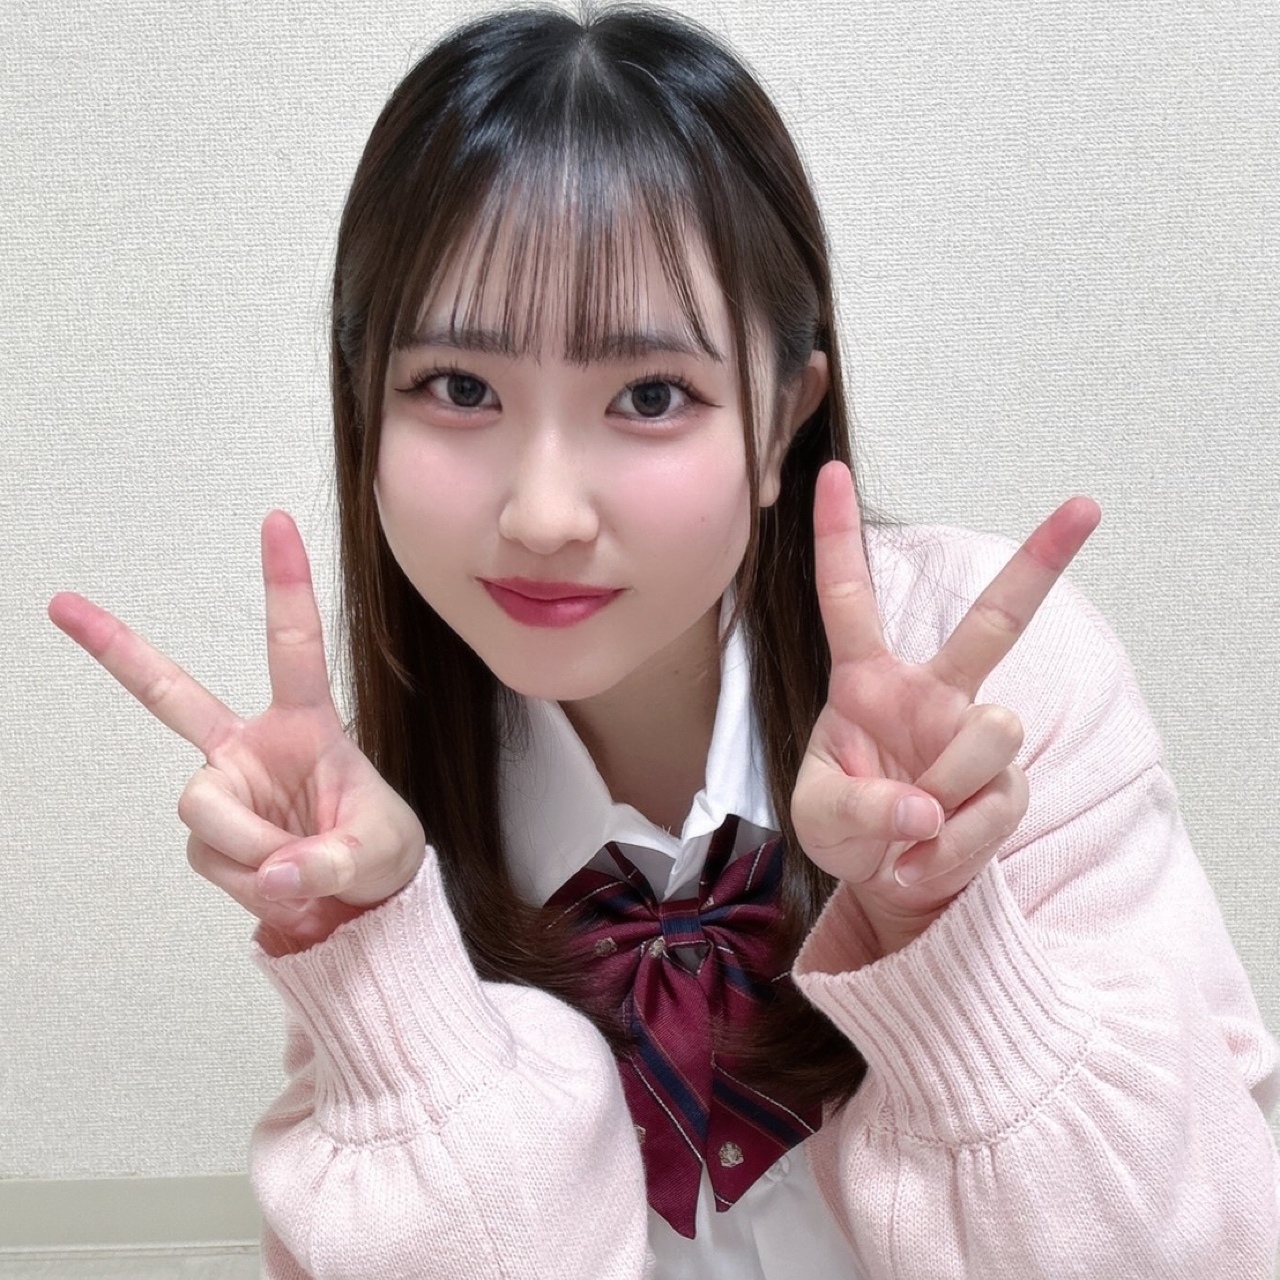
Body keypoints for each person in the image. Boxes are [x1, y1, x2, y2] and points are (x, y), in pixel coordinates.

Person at [47, 5, 1279, 1277]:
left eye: (648, 395)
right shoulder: (364, 830)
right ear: (364, 403)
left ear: (782, 416)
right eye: (459, 388)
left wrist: (941, 933)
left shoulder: (986, 688)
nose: (542, 514)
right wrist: (381, 978)